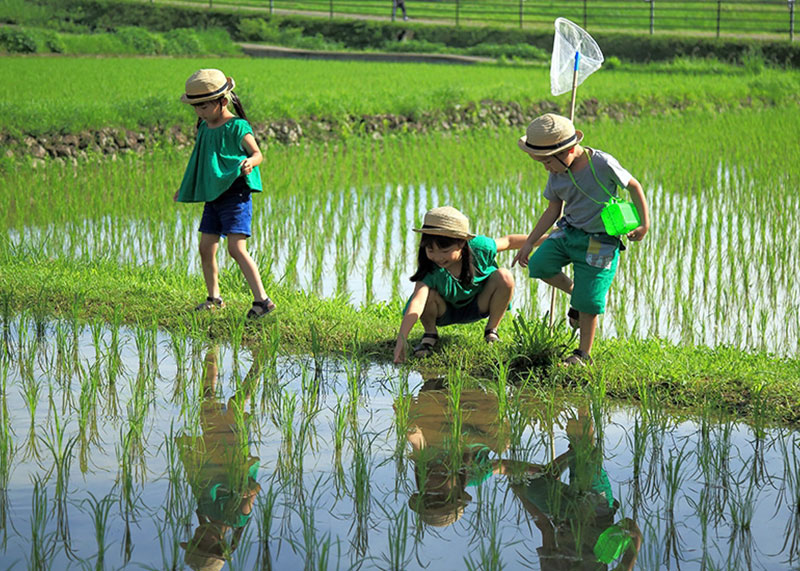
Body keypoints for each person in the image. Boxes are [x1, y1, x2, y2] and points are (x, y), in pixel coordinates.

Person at [512, 113, 650, 366]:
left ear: (570, 149)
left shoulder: (602, 163)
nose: (546, 168)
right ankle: (578, 296)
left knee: (590, 301)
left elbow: (634, 186)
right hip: (569, 232)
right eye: (540, 162)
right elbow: (553, 209)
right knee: (540, 265)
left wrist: (644, 224)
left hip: (601, 241)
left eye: (547, 161)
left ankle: (582, 354)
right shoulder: (556, 174)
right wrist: (530, 242)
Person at [176, 68, 276, 319]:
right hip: (214, 197)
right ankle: (214, 298)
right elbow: (198, 163)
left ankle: (262, 301)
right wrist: (185, 187)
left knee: (236, 248)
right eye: (196, 107)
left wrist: (251, 162)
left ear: (222, 101)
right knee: (206, 247)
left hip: (236, 196)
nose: (199, 112)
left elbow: (257, 153)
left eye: (204, 107)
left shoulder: (237, 126)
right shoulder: (204, 129)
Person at [495, 407, 642, 570]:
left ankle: (561, 462)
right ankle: (583, 404)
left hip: (565, 515)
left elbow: (545, 527)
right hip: (596, 509)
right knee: (583, 454)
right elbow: (633, 532)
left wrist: (522, 494)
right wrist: (623, 530)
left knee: (530, 485)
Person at [393, 206, 538, 364]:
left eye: (444, 250)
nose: (437, 257)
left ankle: (491, 331)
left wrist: (550, 238)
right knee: (427, 294)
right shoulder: (430, 268)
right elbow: (417, 303)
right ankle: (430, 334)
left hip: (479, 304)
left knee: (505, 276)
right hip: (442, 311)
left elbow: (509, 241)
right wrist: (401, 341)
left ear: (461, 243)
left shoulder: (480, 248)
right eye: (430, 250)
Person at [177, 347, 262, 571]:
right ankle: (260, 358)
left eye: (195, 541)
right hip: (233, 448)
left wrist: (188, 453)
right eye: (202, 543)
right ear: (220, 545)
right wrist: (247, 491)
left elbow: (199, 476)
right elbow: (255, 488)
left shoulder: (202, 509)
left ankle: (211, 344)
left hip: (213, 445)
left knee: (206, 395)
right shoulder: (237, 519)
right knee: (236, 402)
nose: (198, 537)